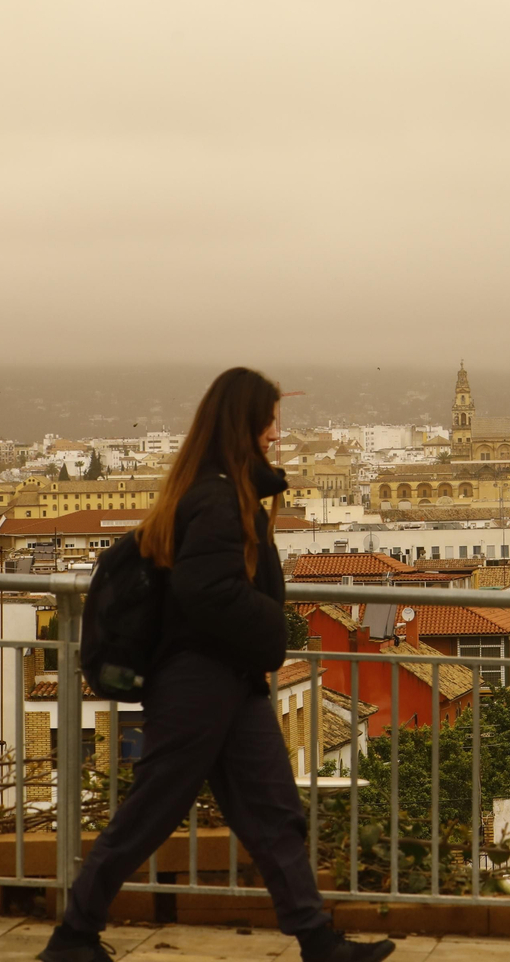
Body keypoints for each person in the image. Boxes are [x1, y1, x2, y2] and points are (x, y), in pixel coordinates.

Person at [41, 368, 395, 962]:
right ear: (246, 422)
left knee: (273, 812)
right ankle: (73, 935)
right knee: (153, 810)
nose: (277, 433)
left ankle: (317, 940)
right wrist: (272, 629)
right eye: (270, 420)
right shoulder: (216, 498)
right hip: (199, 681)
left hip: (227, 680)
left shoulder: (215, 490)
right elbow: (206, 590)